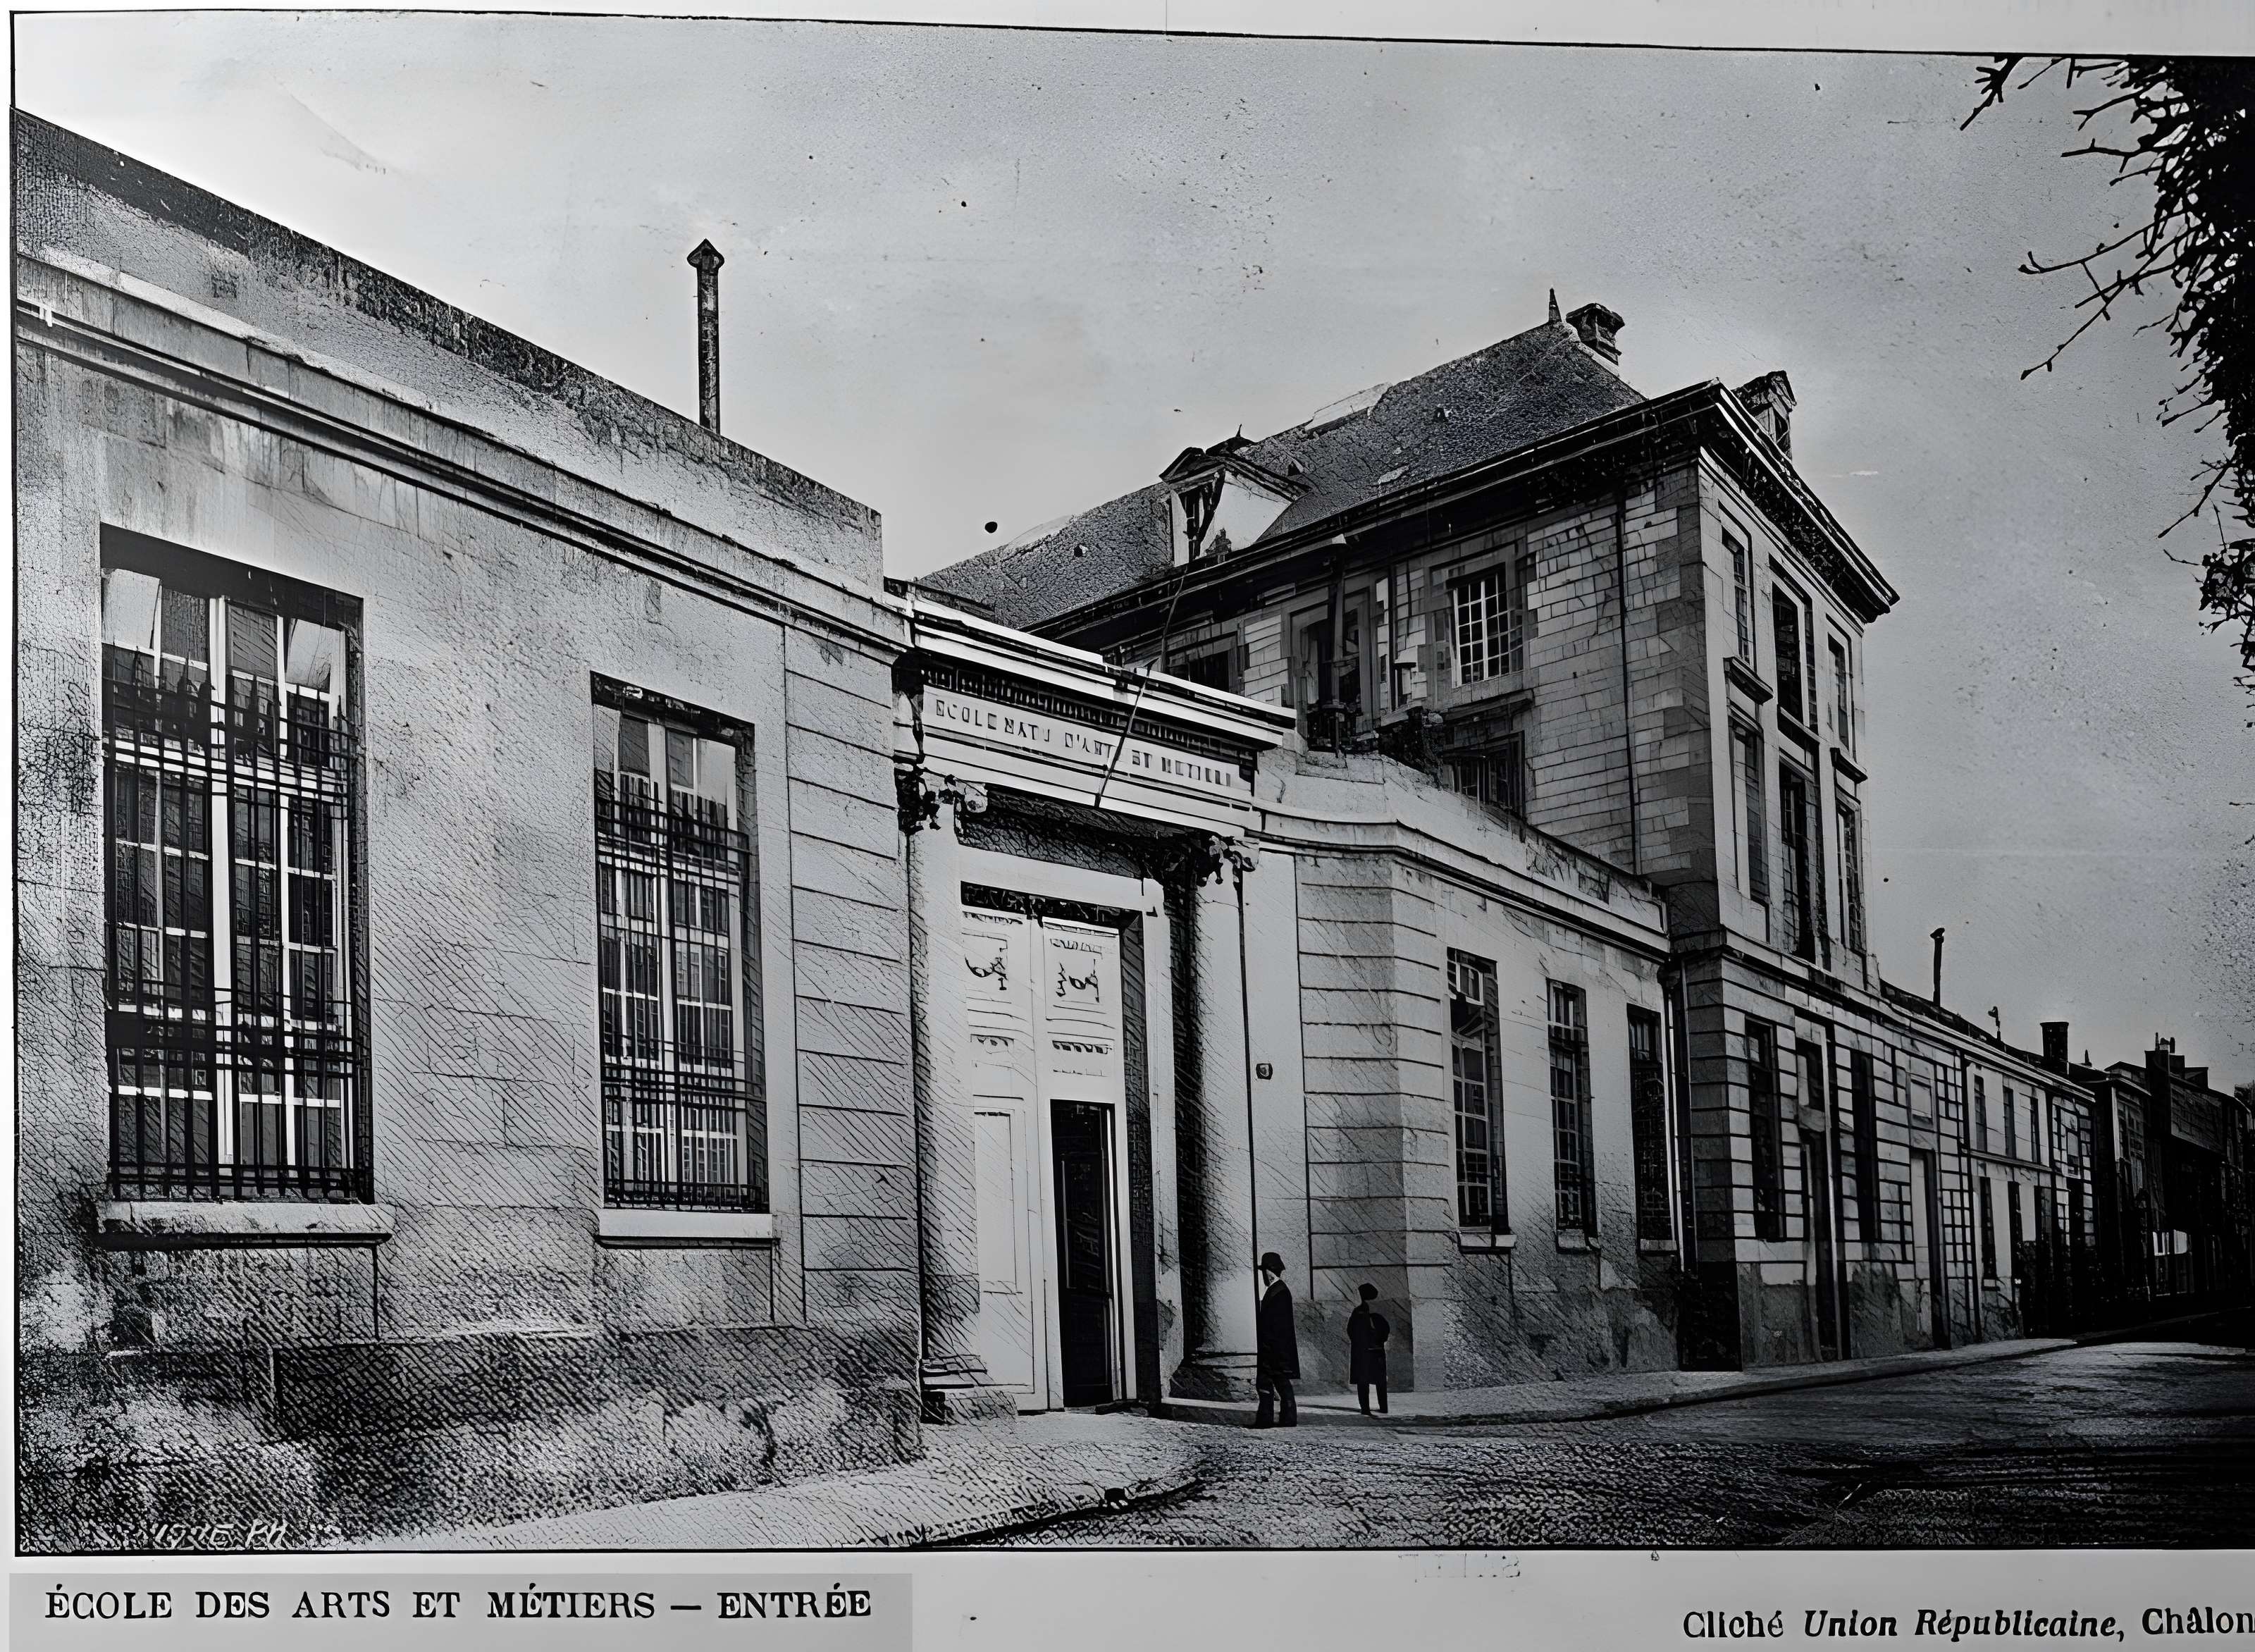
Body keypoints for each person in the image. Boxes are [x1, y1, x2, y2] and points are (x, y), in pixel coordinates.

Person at [1253, 1251, 1299, 1429]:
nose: (1263, 1275)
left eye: (1264, 1271)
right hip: (1276, 1348)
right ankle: (1287, 1418)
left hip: (1273, 1349)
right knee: (1280, 1383)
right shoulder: (1277, 1290)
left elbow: (1278, 1325)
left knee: (1267, 1383)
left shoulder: (1279, 1292)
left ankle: (1267, 1419)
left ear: (1269, 1271)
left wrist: (1270, 1347)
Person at [1347, 1283, 1390, 1415]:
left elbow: (1350, 1331)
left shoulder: (1358, 1312)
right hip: (1376, 1350)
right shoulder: (1379, 1311)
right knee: (1380, 1381)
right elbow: (1386, 1330)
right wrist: (1380, 1341)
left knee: (1363, 1381)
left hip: (1363, 1352)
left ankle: (1365, 1408)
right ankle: (1383, 1407)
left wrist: (1359, 1344)